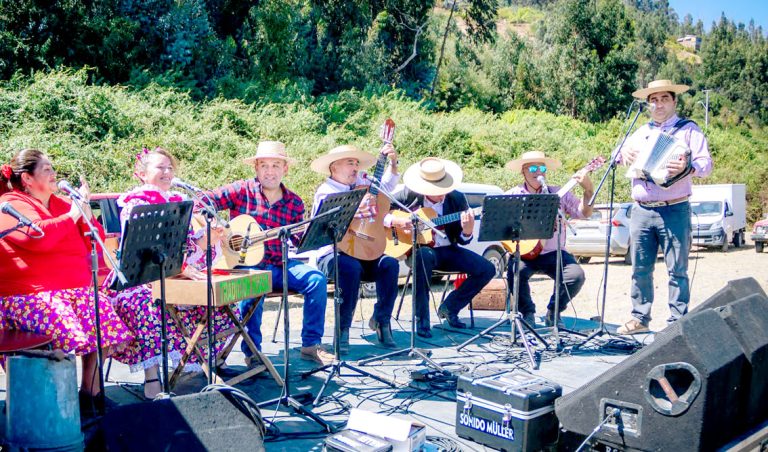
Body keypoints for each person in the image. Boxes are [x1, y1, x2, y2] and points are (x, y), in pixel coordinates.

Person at [0, 149, 132, 412]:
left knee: (104, 325)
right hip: (29, 295)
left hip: (73, 291)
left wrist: (84, 212)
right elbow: (36, 237)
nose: (54, 174)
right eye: (47, 169)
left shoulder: (61, 204)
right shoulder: (10, 204)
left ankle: (89, 393)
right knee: (65, 333)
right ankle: (58, 404)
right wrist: (73, 215)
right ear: (26, 178)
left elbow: (92, 239)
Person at [109, 147, 235, 399]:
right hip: (140, 279)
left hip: (176, 274)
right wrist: (180, 268)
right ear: (142, 173)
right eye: (160, 168)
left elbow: (187, 247)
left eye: (170, 167)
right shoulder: (133, 204)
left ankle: (200, 361)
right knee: (146, 303)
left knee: (219, 297)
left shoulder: (178, 201)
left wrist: (206, 241)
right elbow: (142, 250)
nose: (167, 172)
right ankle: (152, 375)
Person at [205, 141, 332, 365]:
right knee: (253, 285)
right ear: (256, 168)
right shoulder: (241, 190)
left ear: (285, 169)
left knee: (316, 279)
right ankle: (253, 353)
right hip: (245, 267)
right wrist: (219, 226)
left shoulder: (294, 202)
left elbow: (298, 240)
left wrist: (317, 232)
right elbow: (203, 202)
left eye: (276, 165)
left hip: (279, 265)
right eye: (264, 165)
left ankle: (311, 345)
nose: (269, 171)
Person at [616, 79, 712, 335]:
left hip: (675, 209)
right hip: (642, 210)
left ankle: (677, 322)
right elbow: (618, 154)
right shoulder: (640, 131)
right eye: (653, 100)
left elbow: (706, 165)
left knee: (677, 269)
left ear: (674, 101)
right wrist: (622, 154)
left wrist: (688, 167)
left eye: (664, 99)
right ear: (648, 105)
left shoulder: (689, 130)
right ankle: (639, 318)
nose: (658, 105)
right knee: (639, 268)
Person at [389, 158, 495, 337]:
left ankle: (450, 307)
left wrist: (467, 232)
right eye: (436, 190)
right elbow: (385, 210)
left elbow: (463, 240)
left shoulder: (457, 198)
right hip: (418, 250)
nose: (441, 194)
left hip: (448, 250)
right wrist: (401, 221)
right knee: (423, 256)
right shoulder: (409, 194)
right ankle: (422, 320)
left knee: (487, 269)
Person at [311, 143, 400, 352]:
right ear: (334, 167)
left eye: (357, 163)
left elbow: (386, 185)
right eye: (350, 163)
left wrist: (392, 163)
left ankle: (382, 320)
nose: (356, 168)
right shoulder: (326, 192)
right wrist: (354, 211)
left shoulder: (362, 183)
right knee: (350, 267)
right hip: (331, 253)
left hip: (362, 251)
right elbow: (324, 229)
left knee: (390, 264)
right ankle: (342, 330)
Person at [504, 150, 594, 327]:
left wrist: (588, 192)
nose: (538, 172)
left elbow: (583, 213)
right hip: (524, 252)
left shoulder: (558, 193)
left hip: (553, 252)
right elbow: (501, 225)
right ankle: (527, 312)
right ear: (523, 171)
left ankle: (554, 312)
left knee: (575, 276)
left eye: (542, 168)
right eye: (533, 168)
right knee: (516, 272)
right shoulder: (513, 194)